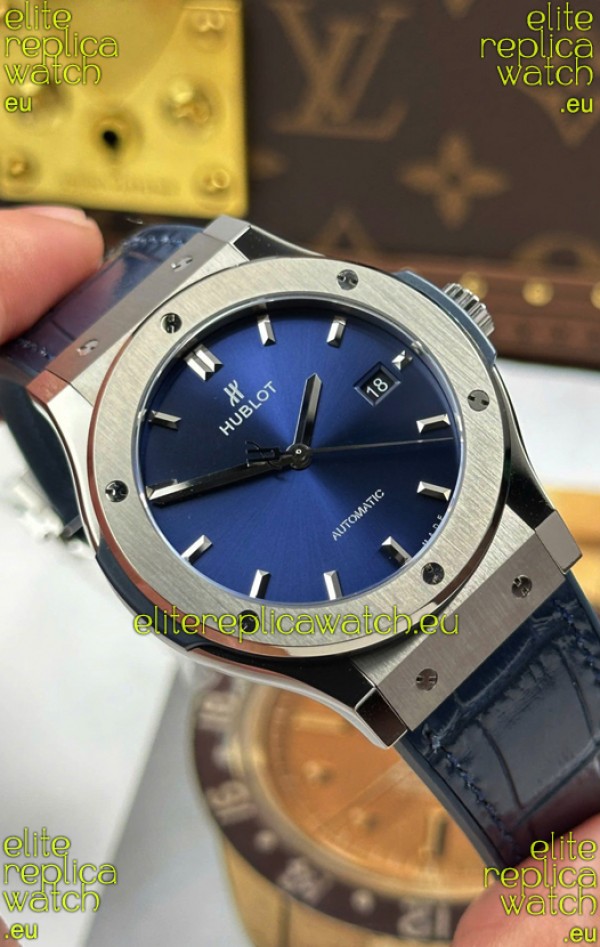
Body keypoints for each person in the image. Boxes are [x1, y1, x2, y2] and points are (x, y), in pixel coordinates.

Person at [0, 206, 598, 946]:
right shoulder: (80, 404)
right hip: (376, 659)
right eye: (286, 457)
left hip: (496, 539)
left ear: (450, 323)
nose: (294, 455)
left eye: (298, 443)